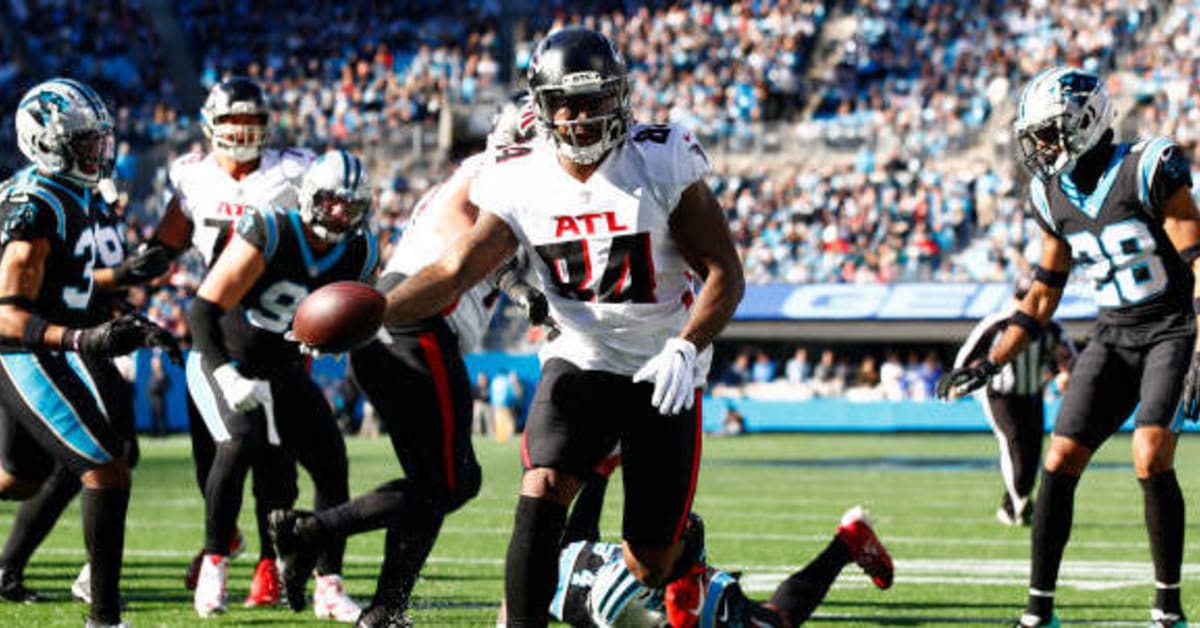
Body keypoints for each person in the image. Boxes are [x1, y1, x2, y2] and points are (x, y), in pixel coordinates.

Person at [376, 27, 745, 628]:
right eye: (567, 103)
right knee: (544, 483)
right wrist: (375, 310)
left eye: (597, 99)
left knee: (651, 561)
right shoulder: (516, 177)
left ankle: (684, 549)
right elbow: (457, 267)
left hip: (664, 365)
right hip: (581, 354)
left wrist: (686, 345)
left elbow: (725, 272)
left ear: (620, 97)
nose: (581, 117)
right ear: (540, 107)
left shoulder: (659, 156)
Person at [269, 98, 549, 627]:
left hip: (402, 329)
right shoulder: (488, 172)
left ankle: (379, 603)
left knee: (443, 482)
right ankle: (318, 541)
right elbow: (470, 243)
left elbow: (487, 246)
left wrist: (518, 283)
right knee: (444, 482)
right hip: (412, 323)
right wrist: (516, 282)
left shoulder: (489, 179)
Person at [936, 67, 1200, 628]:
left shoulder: (1147, 167)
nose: (1043, 146)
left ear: (1085, 122)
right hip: (1112, 335)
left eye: (1051, 132)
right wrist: (990, 362)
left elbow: (1199, 260)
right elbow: (1039, 299)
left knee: (1150, 455)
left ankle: (1168, 607)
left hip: (1171, 330)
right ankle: (1039, 613)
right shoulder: (1050, 192)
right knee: (1058, 461)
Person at [0, 77, 181, 628]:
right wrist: (82, 339)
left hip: (51, 347)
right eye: (84, 141)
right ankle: (104, 618)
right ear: (46, 143)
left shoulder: (68, 191)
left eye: (98, 139)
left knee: (21, 480)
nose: (97, 151)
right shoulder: (36, 202)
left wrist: (131, 321)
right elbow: (5, 315)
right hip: (24, 352)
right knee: (106, 466)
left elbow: (72, 286)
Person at [133, 76, 313, 606]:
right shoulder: (193, 176)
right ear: (212, 124)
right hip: (213, 328)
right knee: (212, 459)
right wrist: (128, 275)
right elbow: (166, 243)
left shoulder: (292, 172)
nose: (243, 131)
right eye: (233, 120)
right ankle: (224, 539)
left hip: (273, 329)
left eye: (252, 120)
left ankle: (267, 563)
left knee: (273, 460)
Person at [186, 149, 375, 621]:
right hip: (222, 356)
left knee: (332, 460)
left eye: (350, 206)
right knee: (238, 443)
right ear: (311, 196)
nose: (339, 213)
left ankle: (329, 586)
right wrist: (226, 373)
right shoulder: (271, 229)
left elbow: (358, 321)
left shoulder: (360, 249)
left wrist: (336, 340)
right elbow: (203, 308)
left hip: (283, 368)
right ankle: (214, 565)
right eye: (332, 201)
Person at [528, 507, 892, 628]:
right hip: (653, 590)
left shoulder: (551, 580)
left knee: (774, 622)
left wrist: (683, 570)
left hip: (690, 594)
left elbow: (690, 527)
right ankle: (848, 543)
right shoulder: (555, 585)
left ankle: (848, 542)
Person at [952, 276, 1076, 526]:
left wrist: (1065, 373)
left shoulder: (1050, 326)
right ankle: (1020, 500)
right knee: (1013, 443)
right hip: (999, 393)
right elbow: (966, 355)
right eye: (1022, 297)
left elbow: (1068, 356)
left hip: (1032, 392)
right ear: (1014, 298)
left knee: (1032, 452)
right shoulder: (997, 324)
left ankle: (1010, 508)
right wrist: (959, 382)